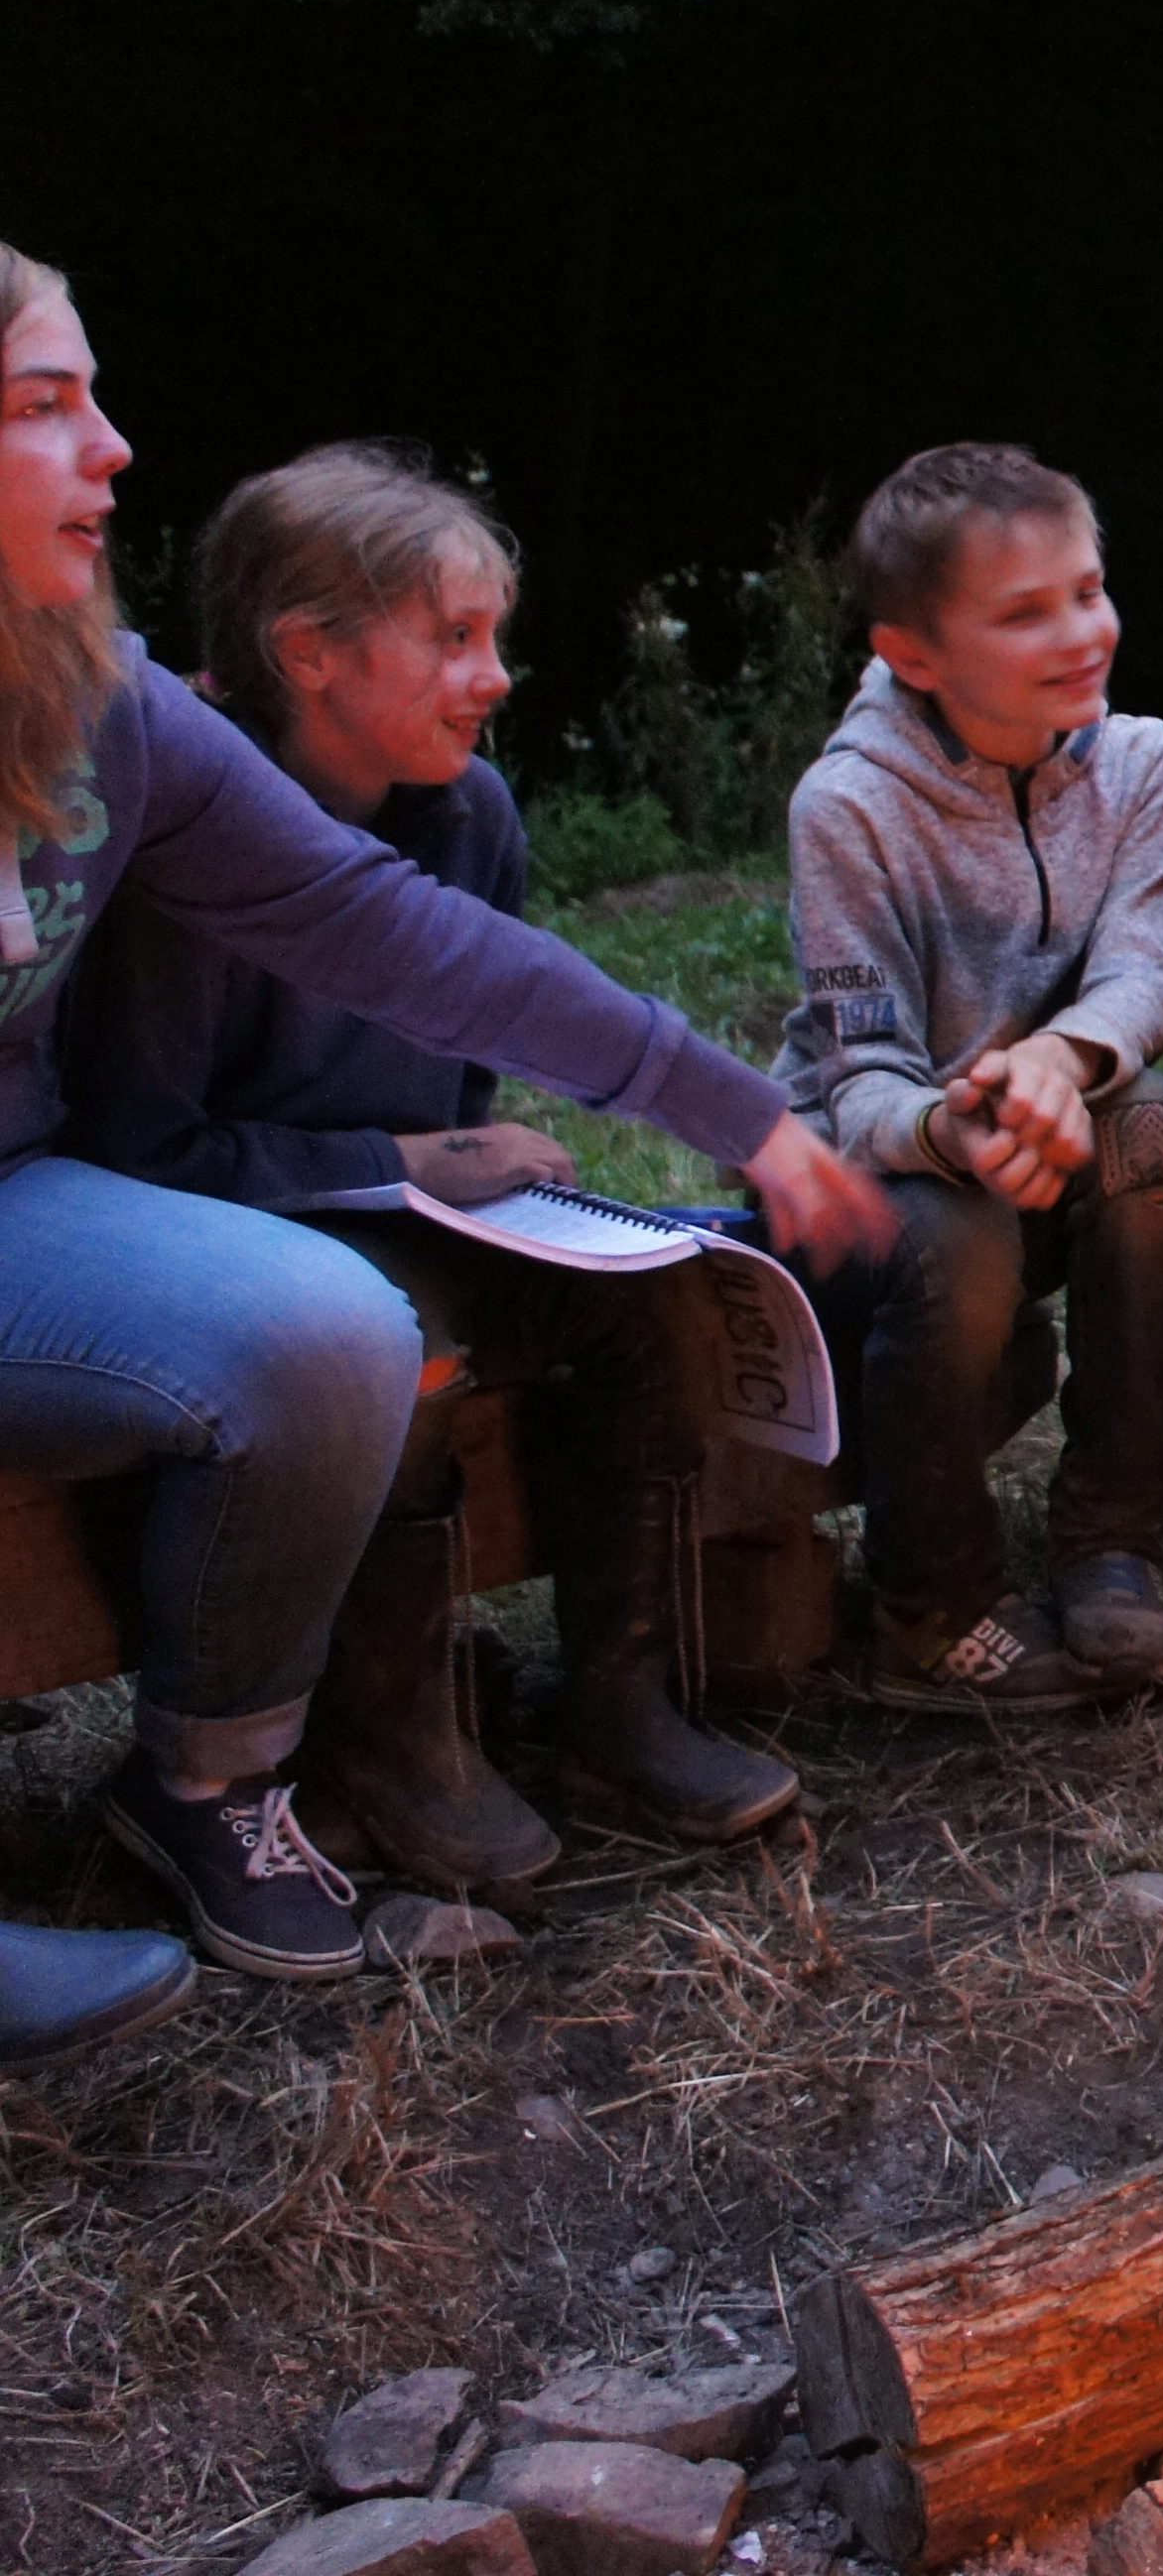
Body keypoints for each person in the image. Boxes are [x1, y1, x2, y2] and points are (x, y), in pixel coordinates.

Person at [0, 242, 886, 2013]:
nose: (112, 446)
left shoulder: (105, 706)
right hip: (112, 1170)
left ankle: (212, 1787)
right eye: (43, 404)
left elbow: (388, 927)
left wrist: (737, 1115)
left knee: (336, 1322)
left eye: (92, 396)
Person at [65, 444, 808, 1878]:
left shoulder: (469, 813)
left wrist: (460, 1169)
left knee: (649, 1296)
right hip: (245, 1228)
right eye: (454, 638)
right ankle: (390, 1744)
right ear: (309, 654)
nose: (495, 675)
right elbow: (141, 1152)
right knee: (405, 1342)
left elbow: (461, 1095)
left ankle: (619, 1702)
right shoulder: (186, 844)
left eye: (496, 638)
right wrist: (400, 1153)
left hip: (419, 1207)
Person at [777, 444, 1163, 1711]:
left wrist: (1057, 1063)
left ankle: (1111, 1532)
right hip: (880, 1181)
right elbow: (858, 1088)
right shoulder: (849, 805)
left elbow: (1144, 975)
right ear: (913, 653)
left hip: (1052, 1126)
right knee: (957, 1238)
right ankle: (929, 1597)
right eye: (1025, 612)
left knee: (1157, 1133)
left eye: (1087, 589)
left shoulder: (1136, 763)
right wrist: (963, 1128)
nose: (1081, 632)